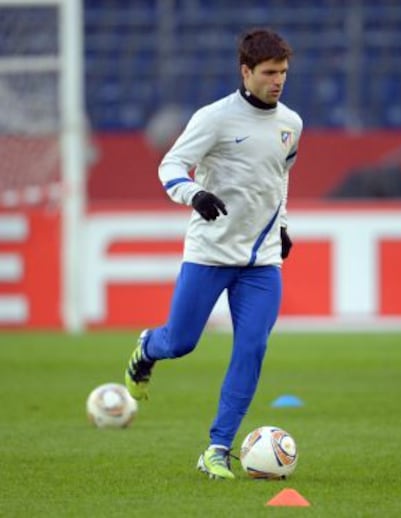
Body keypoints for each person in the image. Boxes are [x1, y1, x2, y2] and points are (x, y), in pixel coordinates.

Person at [125, 28, 303, 480]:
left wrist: (281, 226)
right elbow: (170, 164)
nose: (277, 81)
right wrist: (194, 193)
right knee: (180, 343)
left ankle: (217, 449)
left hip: (261, 262)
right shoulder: (215, 118)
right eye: (268, 73)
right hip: (209, 253)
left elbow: (279, 178)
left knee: (252, 348)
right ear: (246, 71)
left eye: (282, 72)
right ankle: (147, 349)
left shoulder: (291, 124)